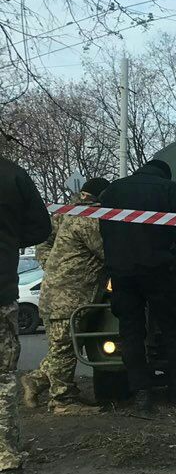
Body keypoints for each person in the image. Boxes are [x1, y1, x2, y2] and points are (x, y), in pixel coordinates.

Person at [98, 159, 176, 414]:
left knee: (130, 334)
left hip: (121, 273)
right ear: (166, 174)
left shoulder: (112, 191)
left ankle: (142, 396)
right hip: (158, 271)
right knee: (173, 331)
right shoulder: (172, 190)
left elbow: (103, 229)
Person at [22, 177, 111, 415]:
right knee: (63, 347)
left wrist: (53, 265)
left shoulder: (71, 213)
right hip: (68, 295)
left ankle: (37, 380)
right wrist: (52, 264)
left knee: (66, 347)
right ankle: (62, 401)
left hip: (65, 292)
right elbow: (106, 250)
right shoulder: (87, 217)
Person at [1, 155, 54, 474]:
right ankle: (4, 458)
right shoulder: (12, 174)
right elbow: (41, 226)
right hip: (0, 288)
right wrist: (8, 238)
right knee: (2, 377)